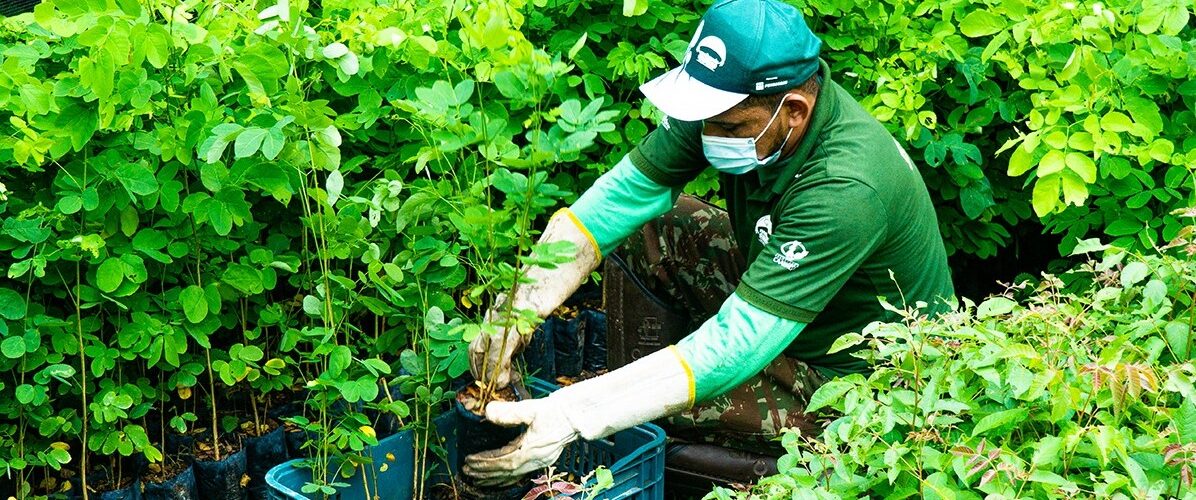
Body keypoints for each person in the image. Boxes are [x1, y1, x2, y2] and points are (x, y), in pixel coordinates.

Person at [462, 0, 955, 487]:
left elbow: (735, 343)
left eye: (727, 127)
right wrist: (517, 309)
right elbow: (619, 201)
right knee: (654, 227)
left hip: (858, 379)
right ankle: (636, 387)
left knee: (649, 411)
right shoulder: (727, 104)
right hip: (790, 298)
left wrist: (576, 413)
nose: (708, 134)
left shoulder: (847, 189)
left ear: (795, 111)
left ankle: (725, 462)